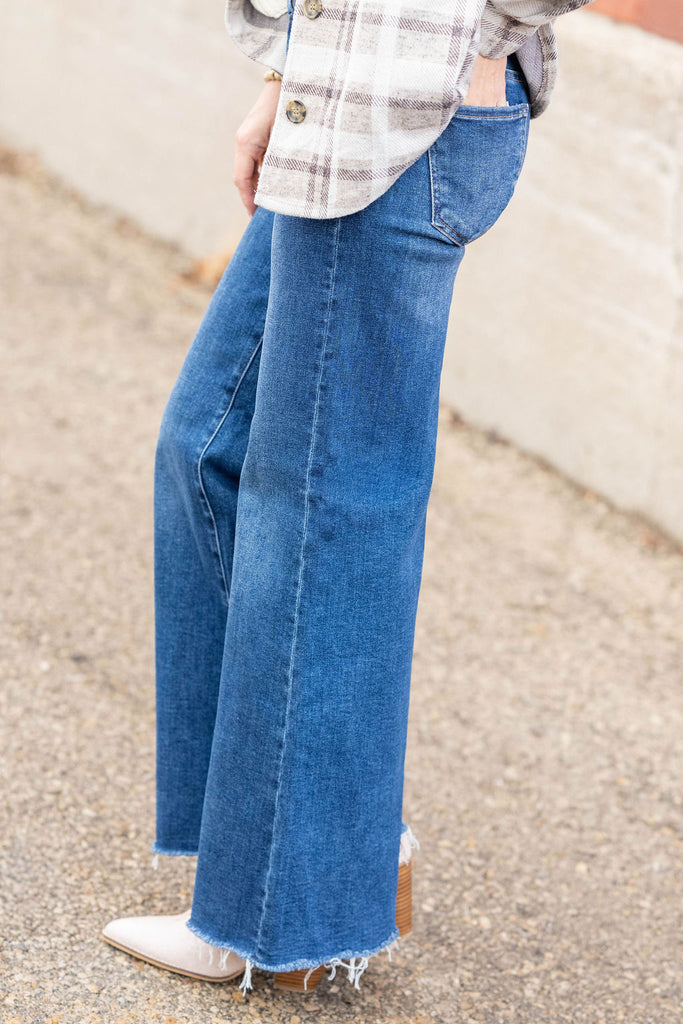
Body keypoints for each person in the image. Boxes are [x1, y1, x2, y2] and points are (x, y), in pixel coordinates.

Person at [102, 0, 594, 998]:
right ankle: (329, 838)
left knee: (324, 511)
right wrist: (283, 75)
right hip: (329, 112)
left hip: (407, 124)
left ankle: (281, 913)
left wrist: (482, 31)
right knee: (207, 446)